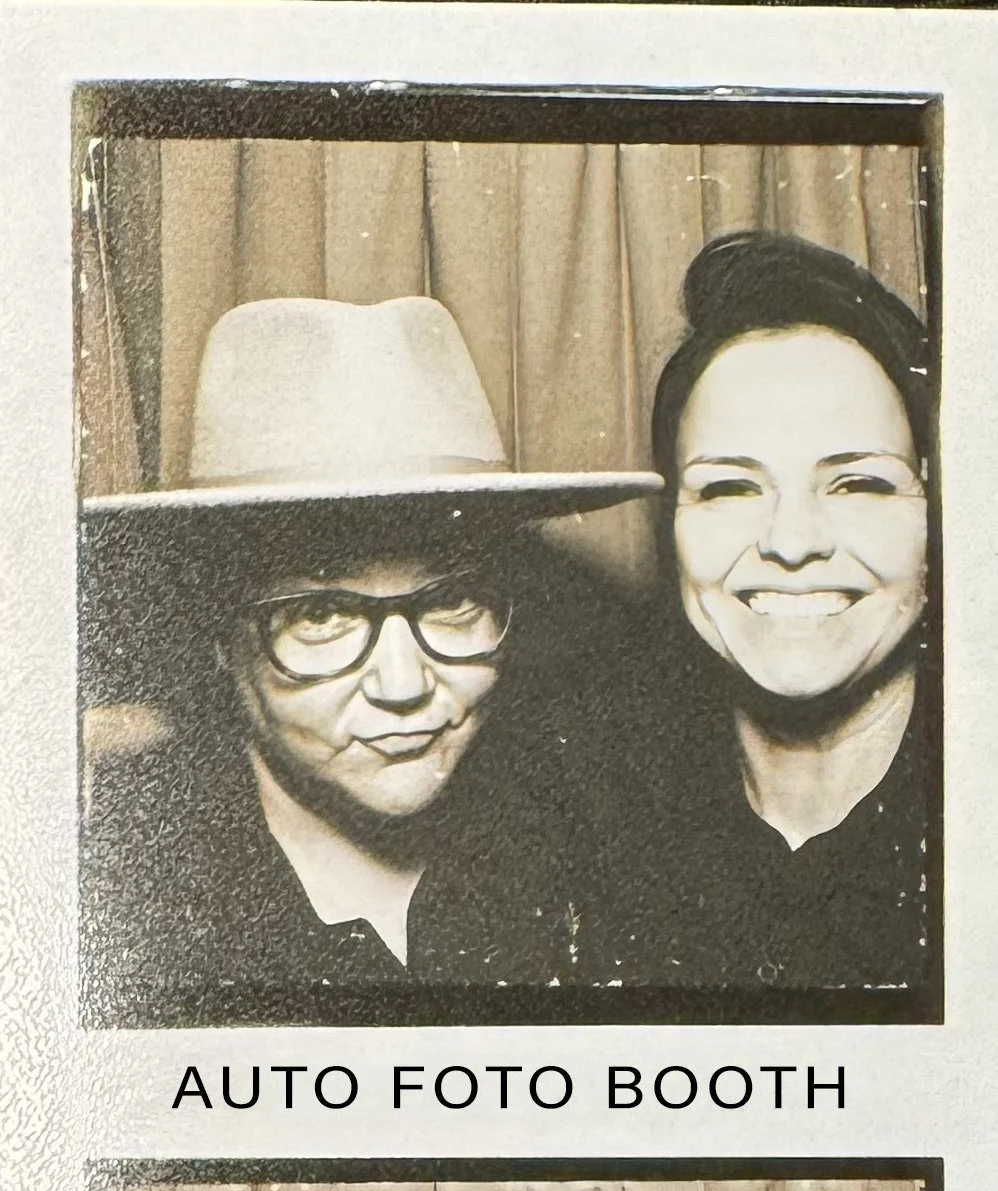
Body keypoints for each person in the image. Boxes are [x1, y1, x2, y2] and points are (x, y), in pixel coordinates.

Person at [79, 293, 660, 1022]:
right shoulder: (112, 902)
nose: (402, 685)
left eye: (451, 601)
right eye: (321, 614)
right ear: (219, 640)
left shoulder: (603, 863)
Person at [615, 231, 935, 1008]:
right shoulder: (594, 830)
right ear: (672, 525)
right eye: (730, 488)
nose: (792, 543)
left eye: (859, 484)